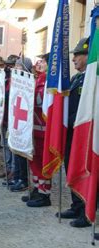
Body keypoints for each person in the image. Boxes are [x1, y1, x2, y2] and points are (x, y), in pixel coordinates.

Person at [57, 37, 91, 228]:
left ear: (87, 55)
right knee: (71, 166)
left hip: (84, 132)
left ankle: (87, 209)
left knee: (84, 169)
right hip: (71, 131)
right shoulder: (76, 78)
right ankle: (76, 205)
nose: (73, 59)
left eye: (77, 55)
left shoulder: (93, 78)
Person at [22, 53, 51, 207]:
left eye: (43, 61)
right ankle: (37, 188)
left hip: (43, 130)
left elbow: (41, 103)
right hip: (32, 128)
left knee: (42, 161)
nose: (40, 63)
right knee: (33, 161)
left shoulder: (49, 81)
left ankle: (44, 193)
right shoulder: (38, 79)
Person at [9, 57, 33, 192]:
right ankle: (17, 176)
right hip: (16, 120)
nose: (16, 68)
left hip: (24, 122)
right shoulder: (16, 81)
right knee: (16, 149)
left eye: (18, 66)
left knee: (23, 152)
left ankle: (23, 180)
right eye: (16, 66)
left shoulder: (28, 81)